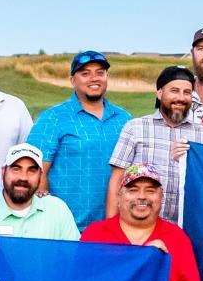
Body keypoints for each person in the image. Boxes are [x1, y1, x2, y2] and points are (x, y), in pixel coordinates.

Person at [27, 50, 132, 228]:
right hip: (69, 228)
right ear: (72, 80)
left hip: (115, 228)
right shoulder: (52, 118)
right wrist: (47, 219)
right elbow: (36, 171)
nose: (94, 78)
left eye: (100, 73)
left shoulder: (125, 119)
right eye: (85, 73)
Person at [106, 66, 203, 225]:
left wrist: (188, 163)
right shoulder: (135, 127)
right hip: (140, 226)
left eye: (187, 92)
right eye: (174, 91)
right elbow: (117, 179)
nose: (181, 97)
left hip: (187, 227)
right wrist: (110, 228)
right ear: (160, 93)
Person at [0, 144, 81, 241]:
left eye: (32, 170)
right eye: (16, 169)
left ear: (40, 175)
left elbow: (74, 259)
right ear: (3, 171)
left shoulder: (58, 210)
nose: (23, 177)